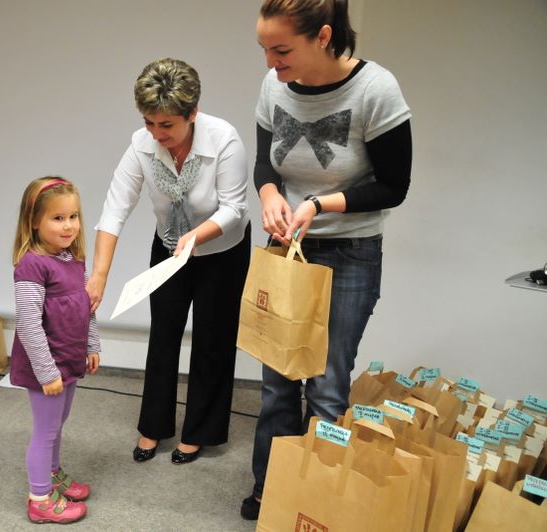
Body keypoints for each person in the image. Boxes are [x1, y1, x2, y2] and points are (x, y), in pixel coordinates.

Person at [241, 0, 412, 520]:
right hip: (289, 252)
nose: (270, 62)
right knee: (277, 382)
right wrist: (270, 194)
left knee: (327, 386)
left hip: (350, 251)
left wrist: (319, 204)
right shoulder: (274, 86)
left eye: (281, 49)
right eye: (264, 48)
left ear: (323, 36)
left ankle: (314, 501)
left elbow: (394, 186)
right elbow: (265, 163)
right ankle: (272, 489)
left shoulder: (375, 90)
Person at [87, 58, 251, 465]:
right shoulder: (141, 145)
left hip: (222, 251)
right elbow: (114, 210)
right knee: (163, 334)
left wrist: (197, 236)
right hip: (169, 247)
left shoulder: (224, 140)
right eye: (149, 122)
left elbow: (234, 209)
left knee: (212, 339)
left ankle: (199, 432)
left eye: (166, 125)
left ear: (192, 113)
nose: (157, 134)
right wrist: (99, 276)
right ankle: (153, 426)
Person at [10, 176, 101, 525]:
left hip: (69, 358)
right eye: (58, 218)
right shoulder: (32, 265)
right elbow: (28, 325)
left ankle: (51, 473)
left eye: (73, 217)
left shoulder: (73, 259)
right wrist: (47, 373)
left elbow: (87, 306)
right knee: (46, 430)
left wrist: (91, 344)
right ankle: (40, 498)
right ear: (34, 221)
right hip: (46, 365)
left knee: (58, 424)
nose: (69, 226)